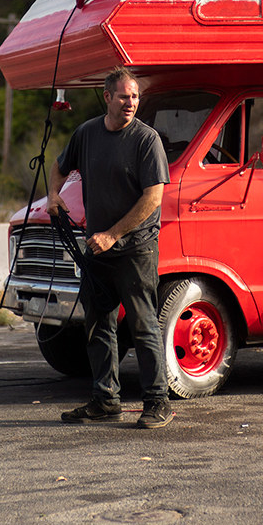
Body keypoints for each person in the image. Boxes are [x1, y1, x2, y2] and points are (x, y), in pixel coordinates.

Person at [48, 67, 174, 428]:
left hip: (136, 248)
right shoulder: (87, 133)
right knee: (98, 324)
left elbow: (153, 197)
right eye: (123, 96)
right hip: (98, 248)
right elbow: (59, 166)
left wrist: (114, 234)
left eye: (135, 96)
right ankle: (105, 401)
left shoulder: (146, 139)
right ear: (107, 97)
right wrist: (54, 195)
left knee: (143, 324)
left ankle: (157, 402)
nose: (130, 103)